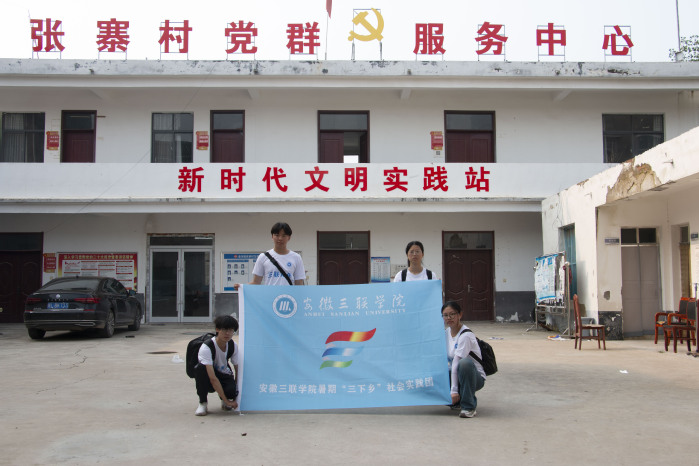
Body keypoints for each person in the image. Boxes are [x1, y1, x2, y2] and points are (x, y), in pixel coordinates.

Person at [442, 301, 486, 418]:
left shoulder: (466, 335)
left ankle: (468, 407)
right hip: (455, 373)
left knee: (464, 363)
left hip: (473, 377)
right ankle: (457, 402)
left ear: (460, 315)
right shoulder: (446, 333)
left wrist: (454, 390)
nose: (449, 318)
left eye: (452, 314)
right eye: (445, 315)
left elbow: (456, 362)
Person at [234, 222, 305, 289]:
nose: (280, 238)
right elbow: (256, 282)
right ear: (272, 236)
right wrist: (241, 287)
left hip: (288, 296)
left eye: (284, 236)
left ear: (289, 237)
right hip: (269, 297)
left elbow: (299, 284)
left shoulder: (296, 257)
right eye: (277, 235)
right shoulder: (263, 257)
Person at [194, 315, 240, 416]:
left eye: (231, 330)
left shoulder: (233, 345)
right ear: (217, 329)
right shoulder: (206, 347)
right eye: (224, 330)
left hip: (224, 374)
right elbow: (213, 378)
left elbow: (238, 370)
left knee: (232, 390)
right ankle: (203, 403)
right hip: (209, 376)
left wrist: (235, 396)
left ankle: (224, 400)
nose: (227, 333)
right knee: (200, 369)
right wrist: (228, 402)